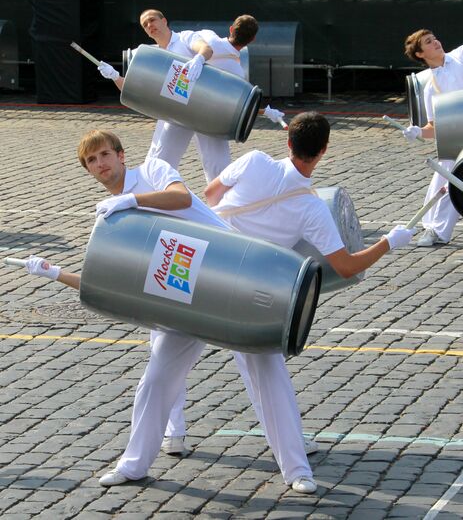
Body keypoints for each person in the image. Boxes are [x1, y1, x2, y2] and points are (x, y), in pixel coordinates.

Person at [22, 129, 320, 493]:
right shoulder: (112, 216)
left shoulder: (153, 170)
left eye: (103, 155)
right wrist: (55, 273)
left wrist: (131, 200)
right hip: (180, 302)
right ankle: (133, 465)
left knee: (267, 370)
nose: (100, 164)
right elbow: (109, 279)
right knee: (156, 381)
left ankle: (297, 469)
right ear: (88, 171)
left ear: (120, 155)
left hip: (229, 276)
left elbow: (179, 198)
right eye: (91, 161)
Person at [204, 111, 415, 295]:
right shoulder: (313, 209)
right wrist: (389, 241)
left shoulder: (254, 159)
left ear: (289, 142)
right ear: (323, 150)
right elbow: (346, 267)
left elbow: (211, 193)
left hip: (209, 247)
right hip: (246, 274)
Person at [97, 9, 284, 182]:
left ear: (164, 21)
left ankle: (222, 211)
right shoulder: (151, 54)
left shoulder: (187, 38)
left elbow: (232, 102)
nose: (149, 25)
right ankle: (150, 203)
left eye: (152, 20)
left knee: (218, 169)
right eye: (145, 24)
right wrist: (115, 76)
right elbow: (136, 90)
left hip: (207, 116)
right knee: (159, 162)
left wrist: (200, 58)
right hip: (176, 115)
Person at [403, 29, 462, 246]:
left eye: (434, 38)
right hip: (455, 138)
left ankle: (436, 229)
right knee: (445, 179)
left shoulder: (459, 56)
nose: (436, 42)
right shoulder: (430, 88)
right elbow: (433, 127)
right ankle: (434, 229)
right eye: (429, 42)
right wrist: (418, 131)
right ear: (420, 54)